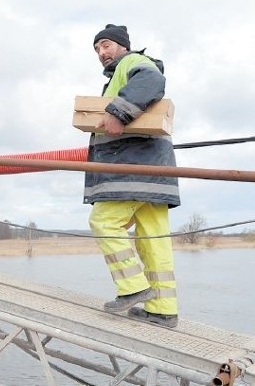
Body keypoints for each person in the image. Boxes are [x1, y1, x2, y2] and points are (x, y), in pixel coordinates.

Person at [86, 24, 180, 328]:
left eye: (106, 45)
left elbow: (153, 80)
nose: (102, 53)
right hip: (156, 172)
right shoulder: (121, 75)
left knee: (103, 222)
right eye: (98, 49)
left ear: (122, 46)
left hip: (132, 170)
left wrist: (118, 112)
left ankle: (133, 287)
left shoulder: (132, 64)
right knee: (153, 240)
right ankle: (163, 309)